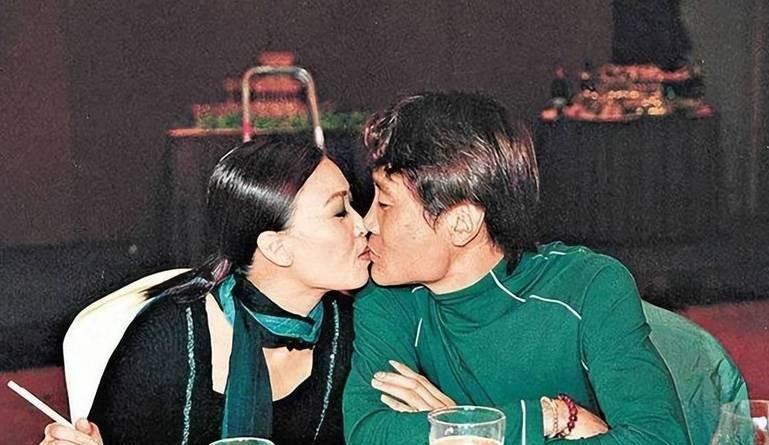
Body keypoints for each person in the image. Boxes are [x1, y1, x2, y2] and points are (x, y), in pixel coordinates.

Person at [343, 92, 689, 444]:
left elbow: (660, 439)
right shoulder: (387, 297)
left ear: (462, 223)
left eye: (385, 203)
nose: (366, 222)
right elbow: (367, 434)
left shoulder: (588, 287)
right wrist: (549, 417)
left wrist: (460, 429)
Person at [42, 135, 373, 445]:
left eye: (353, 205)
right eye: (339, 213)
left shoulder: (356, 330)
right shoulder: (169, 337)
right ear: (277, 248)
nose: (364, 224)